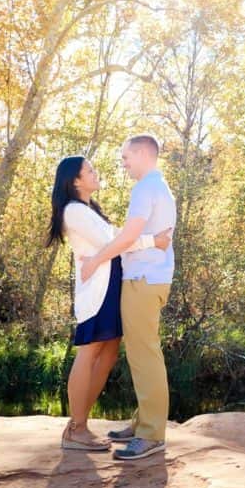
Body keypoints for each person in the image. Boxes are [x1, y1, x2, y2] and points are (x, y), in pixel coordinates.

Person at [45, 156, 171, 452]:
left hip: (111, 285)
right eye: (89, 170)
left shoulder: (88, 209)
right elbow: (114, 240)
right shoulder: (74, 210)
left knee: (110, 352)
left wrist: (134, 242)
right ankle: (77, 428)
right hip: (97, 290)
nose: (95, 173)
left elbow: (114, 238)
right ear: (75, 181)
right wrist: (152, 241)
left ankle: (79, 423)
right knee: (90, 352)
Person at [80, 134, 176, 461]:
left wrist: (95, 260)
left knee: (144, 355)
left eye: (125, 157)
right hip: (148, 279)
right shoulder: (155, 186)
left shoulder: (146, 187)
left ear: (141, 154)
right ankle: (142, 423)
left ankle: (151, 435)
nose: (123, 164)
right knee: (140, 354)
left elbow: (128, 237)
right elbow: (134, 237)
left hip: (144, 280)